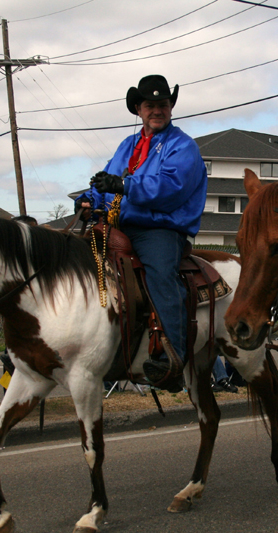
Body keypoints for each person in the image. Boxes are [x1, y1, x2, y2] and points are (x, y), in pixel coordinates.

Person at [80, 74, 208, 387]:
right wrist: (89, 198)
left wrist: (125, 185)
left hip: (159, 229)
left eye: (162, 104)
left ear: (170, 107)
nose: (157, 110)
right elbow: (107, 180)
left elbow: (169, 188)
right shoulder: (128, 145)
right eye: (150, 105)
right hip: (117, 224)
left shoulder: (183, 147)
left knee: (160, 275)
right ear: (139, 109)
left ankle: (172, 359)